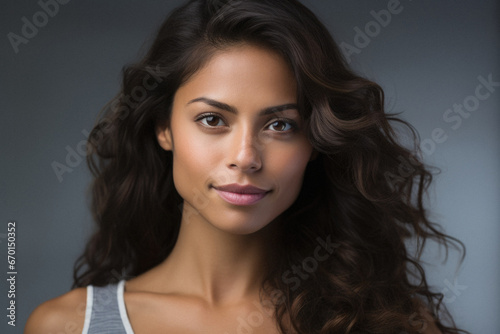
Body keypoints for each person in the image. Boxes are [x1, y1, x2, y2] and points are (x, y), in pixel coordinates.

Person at [25, 0, 468, 333]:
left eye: (280, 124)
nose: (246, 156)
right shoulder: (66, 325)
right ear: (164, 128)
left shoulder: (384, 322)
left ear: (315, 140)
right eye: (213, 119)